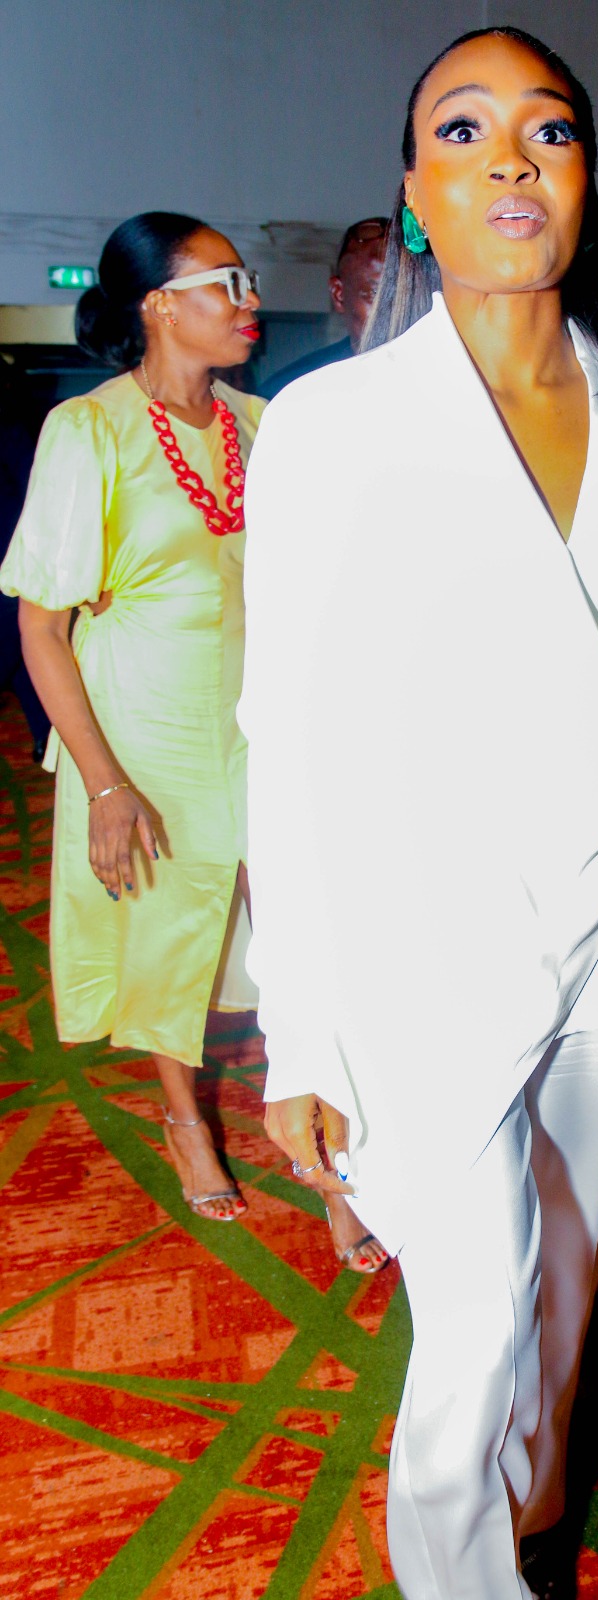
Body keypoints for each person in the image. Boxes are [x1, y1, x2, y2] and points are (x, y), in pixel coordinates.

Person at [239, 27, 598, 1599]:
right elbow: (281, 739)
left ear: (583, 181)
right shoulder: (333, 428)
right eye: (463, 128)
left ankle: (535, 1499)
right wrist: (296, 1027)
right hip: (417, 940)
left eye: (548, 130)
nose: (509, 154)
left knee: (568, 1280)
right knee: (479, 1314)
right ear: (412, 193)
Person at [0, 212, 264, 1222]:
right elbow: (42, 627)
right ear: (158, 304)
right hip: (144, 729)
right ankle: (185, 1119)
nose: (248, 301)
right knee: (166, 933)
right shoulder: (91, 429)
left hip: (258, 718)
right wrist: (106, 783)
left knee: (295, 926)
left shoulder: (262, 423)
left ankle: (322, 1124)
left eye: (246, 280)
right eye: (224, 283)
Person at [260, 217, 389, 398]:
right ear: (339, 294)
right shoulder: (288, 393)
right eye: (376, 293)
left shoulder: (430, 375)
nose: (395, 309)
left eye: (409, 293)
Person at [0, 359, 50, 760]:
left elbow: (31, 500)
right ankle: (44, 736)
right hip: (14, 561)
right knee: (19, 657)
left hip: (13, 563)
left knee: (18, 646)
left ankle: (45, 736)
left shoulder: (14, 432)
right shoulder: (17, 430)